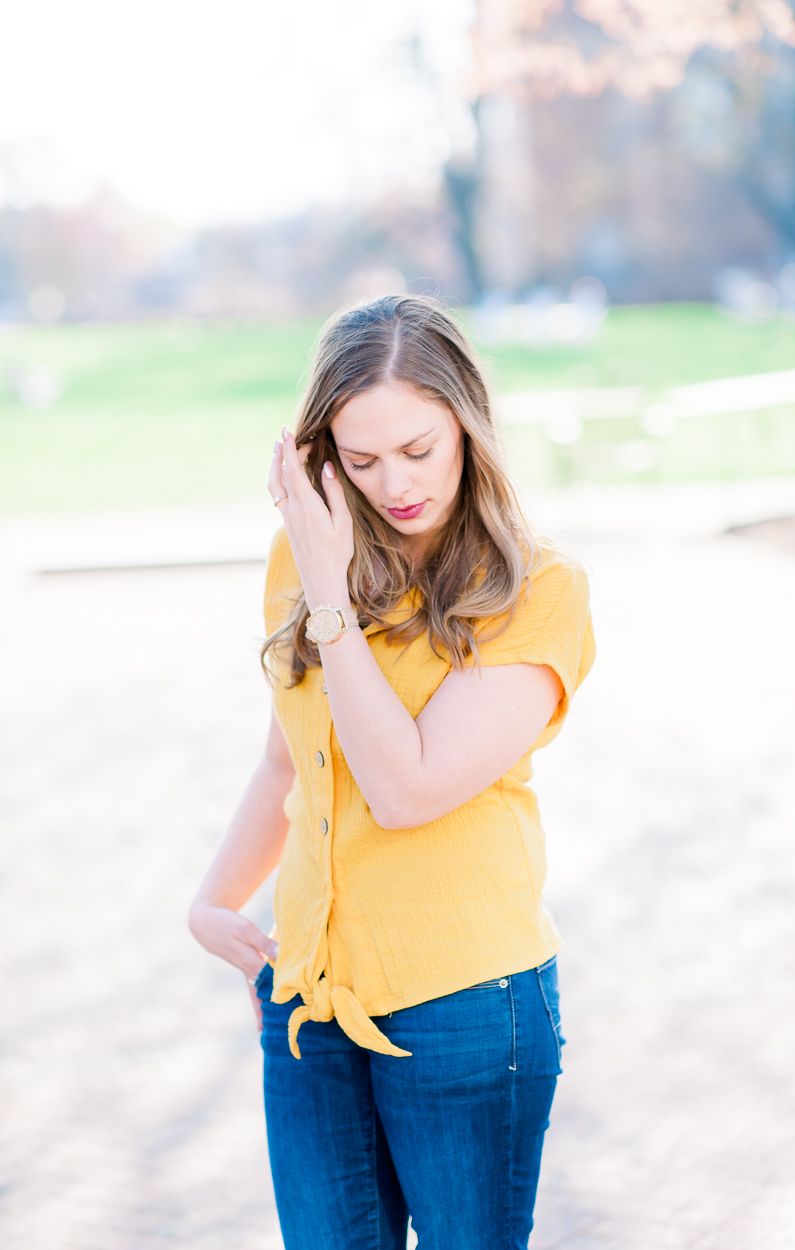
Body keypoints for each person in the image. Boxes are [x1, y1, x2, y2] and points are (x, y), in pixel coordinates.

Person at [188, 294, 594, 1250]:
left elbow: (404, 789)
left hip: (464, 1003)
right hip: (309, 1001)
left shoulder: (540, 589)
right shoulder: (303, 552)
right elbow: (292, 755)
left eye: (419, 449)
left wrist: (331, 597)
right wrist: (214, 901)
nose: (393, 484)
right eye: (360, 460)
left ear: (469, 425)